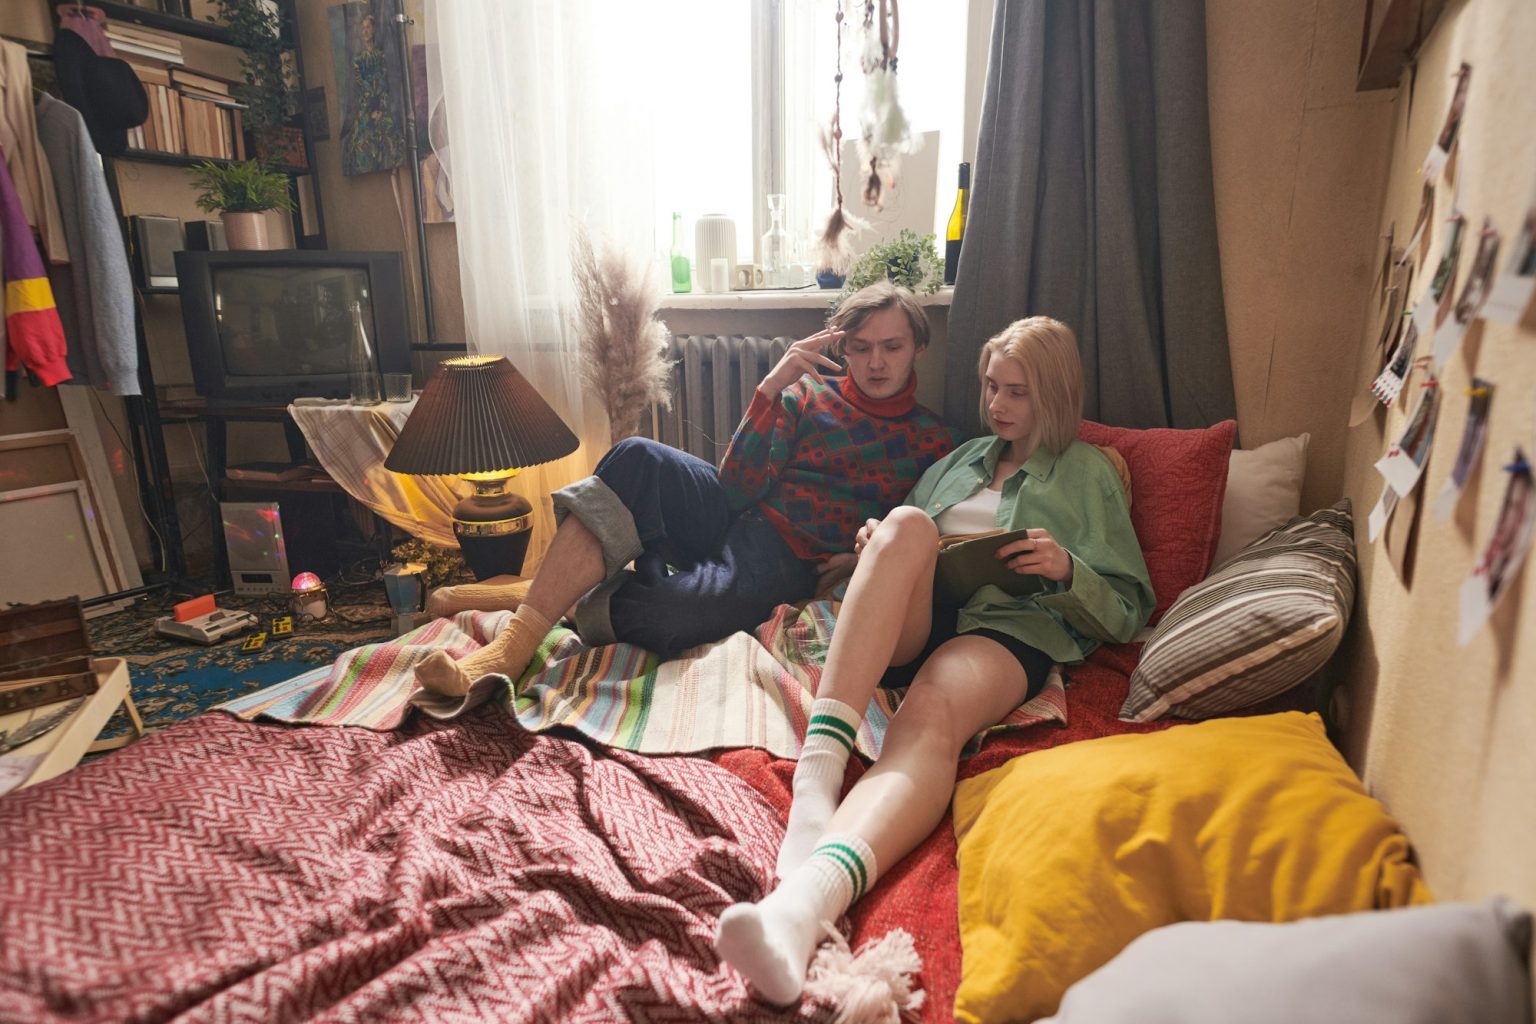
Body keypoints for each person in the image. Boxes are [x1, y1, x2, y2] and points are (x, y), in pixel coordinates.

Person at [713, 316, 1155, 1005]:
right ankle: (817, 783)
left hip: (1007, 630)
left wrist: (1068, 570)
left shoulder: (1089, 475)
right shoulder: (960, 460)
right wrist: (879, 540)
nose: (998, 405)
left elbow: (1130, 607)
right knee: (908, 524)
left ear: (1056, 395)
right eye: (991, 387)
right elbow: (904, 537)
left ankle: (800, 912)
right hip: (920, 616)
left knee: (931, 713)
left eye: (1018, 393)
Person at [413, 282, 961, 698]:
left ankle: (537, 593)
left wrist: (856, 558)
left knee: (664, 619)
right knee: (636, 455)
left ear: (919, 348)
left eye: (891, 347)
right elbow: (737, 490)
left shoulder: (934, 441)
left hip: (785, 559)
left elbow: (913, 534)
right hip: (731, 514)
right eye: (862, 347)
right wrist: (772, 388)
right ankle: (511, 649)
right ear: (843, 346)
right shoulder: (807, 394)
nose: (876, 362)